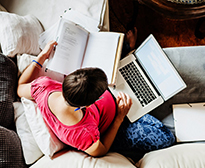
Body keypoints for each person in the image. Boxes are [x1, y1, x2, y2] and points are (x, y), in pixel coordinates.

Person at [17, 39, 175, 160]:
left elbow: (20, 86)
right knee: (166, 138)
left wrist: (42, 57)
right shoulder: (82, 134)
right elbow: (102, 150)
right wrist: (119, 117)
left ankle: (128, 49)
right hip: (117, 124)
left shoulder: (43, 87)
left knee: (119, 44)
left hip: (113, 93)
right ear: (88, 104)